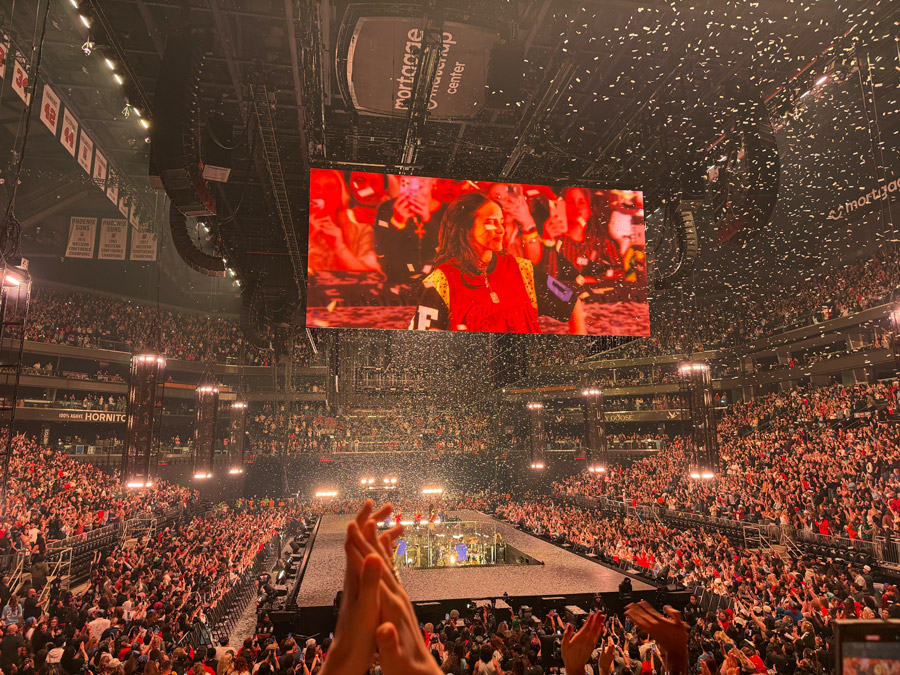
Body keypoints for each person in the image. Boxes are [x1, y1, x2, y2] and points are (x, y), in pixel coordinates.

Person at [409, 193, 586, 334]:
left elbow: (572, 302)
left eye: (501, 222)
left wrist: (579, 351)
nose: (501, 229)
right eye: (491, 223)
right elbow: (422, 344)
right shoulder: (440, 281)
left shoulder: (523, 270)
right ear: (466, 228)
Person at [307, 169, 380, 273]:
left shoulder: (361, 232)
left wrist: (340, 247)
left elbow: (371, 277)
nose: (322, 193)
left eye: (330, 188)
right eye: (315, 187)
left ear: (341, 195)